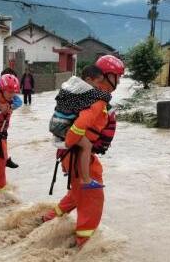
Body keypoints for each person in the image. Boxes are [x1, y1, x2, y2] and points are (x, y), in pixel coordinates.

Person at [42, 55, 124, 248]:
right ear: (106, 76)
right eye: (117, 76)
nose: (119, 81)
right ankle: (84, 244)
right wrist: (72, 141)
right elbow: (81, 124)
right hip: (76, 155)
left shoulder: (91, 96)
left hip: (72, 155)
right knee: (92, 195)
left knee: (78, 192)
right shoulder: (96, 100)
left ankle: (49, 218)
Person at [49, 65, 111, 189]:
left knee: (72, 146)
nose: (99, 86)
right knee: (87, 146)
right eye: (98, 82)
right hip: (63, 126)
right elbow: (102, 96)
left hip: (55, 123)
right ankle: (86, 180)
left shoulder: (71, 85)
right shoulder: (85, 90)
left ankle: (67, 169)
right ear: (88, 80)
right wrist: (106, 98)